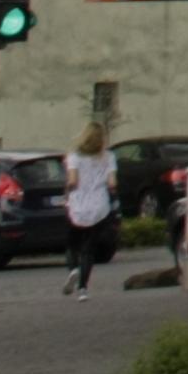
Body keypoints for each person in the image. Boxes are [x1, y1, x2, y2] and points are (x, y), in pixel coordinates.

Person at [61, 123, 118, 299]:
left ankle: (73, 270)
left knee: (72, 244)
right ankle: (83, 289)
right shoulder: (108, 157)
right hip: (99, 206)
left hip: (78, 205)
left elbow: (73, 181)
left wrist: (66, 193)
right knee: (89, 249)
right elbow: (112, 183)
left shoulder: (74, 156)